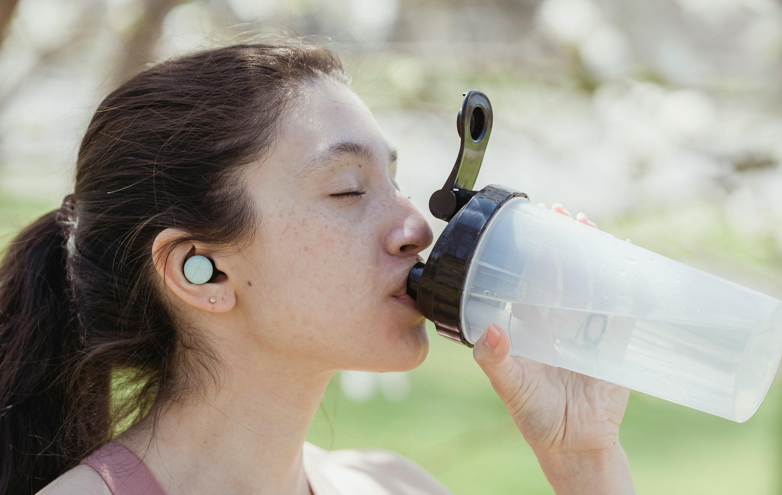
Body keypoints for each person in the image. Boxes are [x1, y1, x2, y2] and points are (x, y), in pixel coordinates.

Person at [0, 42, 635, 495]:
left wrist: (584, 462)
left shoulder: (394, 485)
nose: (416, 226)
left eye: (396, 180)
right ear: (202, 269)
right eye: (348, 191)